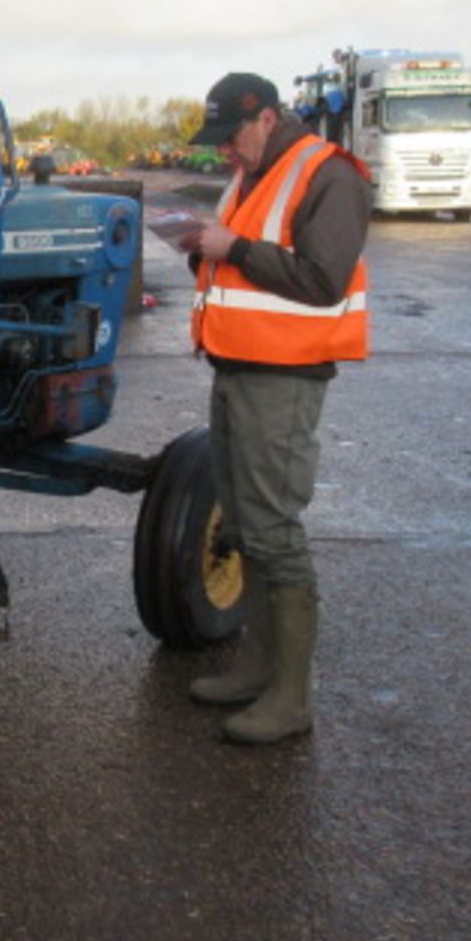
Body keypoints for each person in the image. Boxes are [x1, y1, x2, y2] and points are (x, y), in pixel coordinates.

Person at [176, 72, 372, 744]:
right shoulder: (254, 175)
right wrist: (202, 250)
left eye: (230, 137)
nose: (225, 152)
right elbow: (241, 269)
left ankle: (291, 698)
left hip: (282, 380)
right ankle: (257, 668)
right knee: (249, 528)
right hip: (237, 370)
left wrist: (234, 249)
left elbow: (323, 279)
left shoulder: (327, 174)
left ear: (265, 119)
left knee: (275, 531)